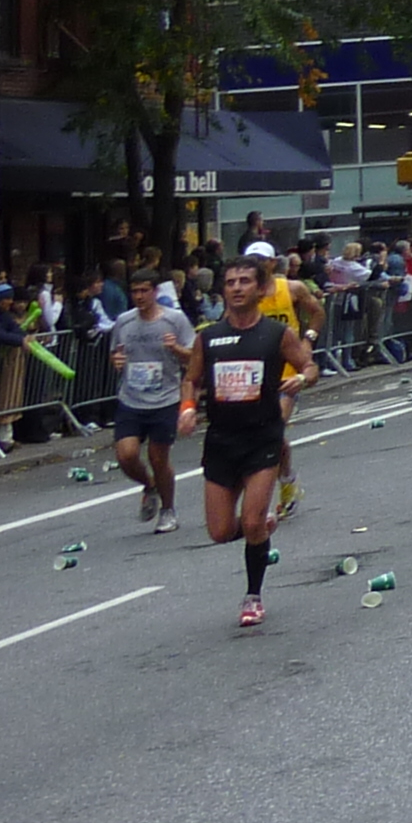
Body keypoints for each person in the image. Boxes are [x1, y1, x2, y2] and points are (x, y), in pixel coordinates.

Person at [184, 255, 311, 630]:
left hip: (262, 437)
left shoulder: (276, 334)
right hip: (222, 440)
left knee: (252, 522)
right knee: (220, 531)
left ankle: (253, 595)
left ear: (260, 289)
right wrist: (187, 409)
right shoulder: (208, 337)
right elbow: (191, 380)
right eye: (231, 282)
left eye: (244, 281)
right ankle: (258, 527)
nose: (237, 288)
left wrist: (302, 378)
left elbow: (308, 365)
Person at [105, 272, 193, 530]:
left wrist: (175, 349)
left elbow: (193, 356)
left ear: (155, 292)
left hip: (165, 399)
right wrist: (116, 361)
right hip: (131, 399)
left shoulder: (174, 319)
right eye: (135, 291)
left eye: (144, 290)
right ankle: (149, 485)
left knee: (158, 458)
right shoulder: (124, 322)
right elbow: (115, 353)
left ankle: (168, 510)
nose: (139, 296)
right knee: (126, 455)